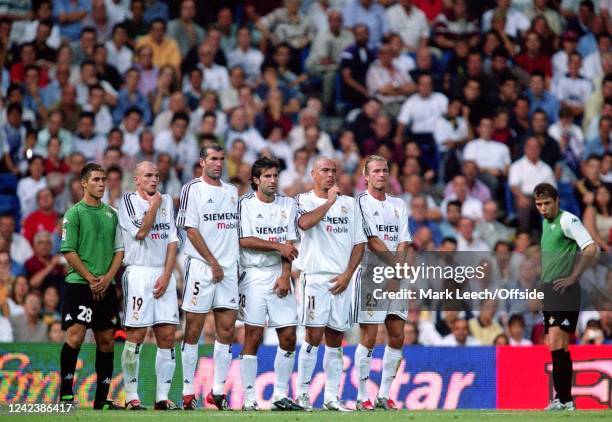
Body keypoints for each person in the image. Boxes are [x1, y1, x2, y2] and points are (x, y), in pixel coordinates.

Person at [295, 157, 366, 411]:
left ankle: (331, 397)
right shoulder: (304, 200)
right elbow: (303, 224)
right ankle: (302, 394)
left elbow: (360, 243)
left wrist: (348, 273)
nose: (330, 175)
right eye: (325, 170)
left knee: (336, 338)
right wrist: (329, 202)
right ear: (313, 173)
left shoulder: (351, 205)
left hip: (342, 279)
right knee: (313, 335)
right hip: (315, 277)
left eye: (334, 171)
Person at [237, 157, 303, 411]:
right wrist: (277, 247)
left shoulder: (288, 204)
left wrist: (286, 274)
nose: (273, 180)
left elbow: (290, 244)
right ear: (255, 180)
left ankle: (280, 395)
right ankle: (249, 397)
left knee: (288, 334)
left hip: (278, 273)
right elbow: (244, 239)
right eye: (267, 176)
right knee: (252, 335)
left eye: (275, 176)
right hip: (253, 275)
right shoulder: (245, 204)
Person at [178, 144, 239, 410]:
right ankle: (188, 392)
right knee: (193, 330)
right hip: (202, 268)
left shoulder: (232, 191)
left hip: (228, 271)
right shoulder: (192, 189)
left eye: (221, 159)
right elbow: (190, 230)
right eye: (213, 159)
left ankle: (217, 392)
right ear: (202, 161)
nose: (218, 163)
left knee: (226, 331)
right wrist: (213, 262)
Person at [58, 163, 124, 409]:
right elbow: (68, 251)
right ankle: (66, 394)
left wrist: (106, 279)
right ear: (84, 183)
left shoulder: (112, 214)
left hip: (106, 285)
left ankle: (102, 400)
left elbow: (119, 251)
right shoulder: (73, 214)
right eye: (96, 179)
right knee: (75, 335)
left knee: (106, 340)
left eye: (104, 180)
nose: (101, 184)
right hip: (79, 284)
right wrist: (91, 278)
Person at [118, 162, 179, 410]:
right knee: (136, 335)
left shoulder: (167, 202)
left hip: (163, 272)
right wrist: (154, 205)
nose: (154, 180)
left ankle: (162, 398)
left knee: (167, 335)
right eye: (148, 176)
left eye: (156, 175)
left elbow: (173, 240)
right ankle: (131, 396)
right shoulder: (128, 202)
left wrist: (167, 275)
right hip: (139, 273)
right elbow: (142, 232)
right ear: (137, 179)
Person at [533, 183, 598, 411]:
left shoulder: (567, 220)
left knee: (559, 342)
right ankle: (562, 399)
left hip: (565, 288)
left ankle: (564, 400)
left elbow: (591, 248)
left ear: (557, 201)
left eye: (547, 203)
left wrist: (573, 276)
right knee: (554, 344)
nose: (543, 208)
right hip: (551, 289)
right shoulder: (545, 223)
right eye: (539, 204)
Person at [354, 155, 411, 411]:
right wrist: (397, 267)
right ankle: (362, 394)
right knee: (369, 335)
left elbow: (404, 240)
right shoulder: (360, 204)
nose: (381, 175)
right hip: (370, 275)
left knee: (397, 334)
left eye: (385, 170)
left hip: (396, 277)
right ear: (366, 175)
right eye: (375, 171)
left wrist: (397, 274)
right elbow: (373, 241)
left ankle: (385, 394)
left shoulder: (399, 204)